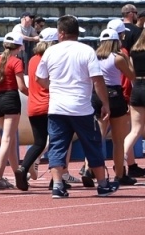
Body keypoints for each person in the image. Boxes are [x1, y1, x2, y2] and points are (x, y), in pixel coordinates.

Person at [38, 16, 118, 197]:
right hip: (81, 107)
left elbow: (39, 78)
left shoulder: (51, 52)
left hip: (57, 107)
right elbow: (97, 79)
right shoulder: (86, 50)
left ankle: (58, 185)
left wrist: (54, 87)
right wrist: (105, 103)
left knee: (57, 145)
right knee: (92, 144)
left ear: (61, 33)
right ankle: (103, 184)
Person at [94, 27, 134, 187]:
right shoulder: (117, 57)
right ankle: (119, 174)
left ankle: (89, 169)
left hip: (97, 94)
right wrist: (127, 59)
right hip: (115, 96)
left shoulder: (94, 57)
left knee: (97, 138)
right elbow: (131, 75)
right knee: (118, 141)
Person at [17, 29, 55, 191]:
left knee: (39, 142)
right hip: (50, 104)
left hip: (34, 105)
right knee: (58, 142)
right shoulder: (51, 58)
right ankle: (56, 178)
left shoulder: (32, 59)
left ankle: (23, 167)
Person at [0, 33, 28, 190]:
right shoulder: (16, 62)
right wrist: (36, 95)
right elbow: (22, 87)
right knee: (7, 138)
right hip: (11, 99)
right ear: (18, 48)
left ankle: (15, 172)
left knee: (10, 139)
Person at [125, 25, 145, 181]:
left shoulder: (134, 51)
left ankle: (121, 158)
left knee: (135, 130)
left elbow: (131, 73)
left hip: (137, 87)